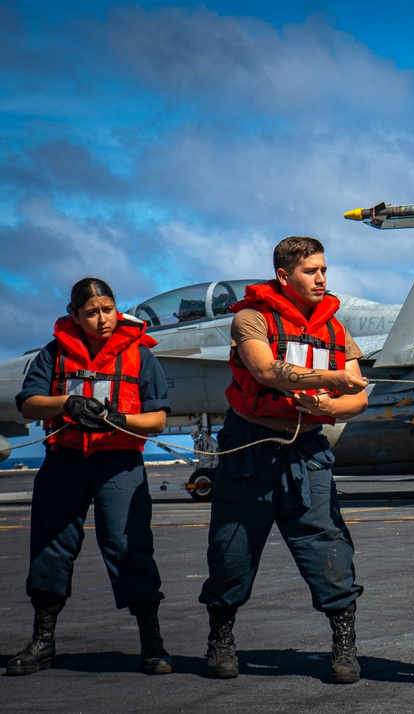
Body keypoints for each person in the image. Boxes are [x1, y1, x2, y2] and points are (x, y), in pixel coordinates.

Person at [198, 236, 369, 683]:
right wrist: (329, 380)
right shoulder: (251, 319)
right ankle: (220, 637)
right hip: (250, 447)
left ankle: (344, 643)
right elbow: (264, 370)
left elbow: (359, 397)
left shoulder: (335, 328)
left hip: (308, 451)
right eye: (311, 271)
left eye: (324, 270)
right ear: (283, 276)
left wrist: (327, 408)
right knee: (231, 550)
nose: (322, 278)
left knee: (328, 548)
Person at [8, 277, 172, 676]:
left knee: (129, 547)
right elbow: (29, 404)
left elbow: (159, 418)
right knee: (51, 548)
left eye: (108, 310)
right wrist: (67, 401)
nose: (102, 320)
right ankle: (43, 641)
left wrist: (120, 419)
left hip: (120, 464)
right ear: (74, 316)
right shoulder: (53, 354)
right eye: (92, 313)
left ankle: (152, 643)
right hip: (64, 462)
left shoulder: (141, 356)